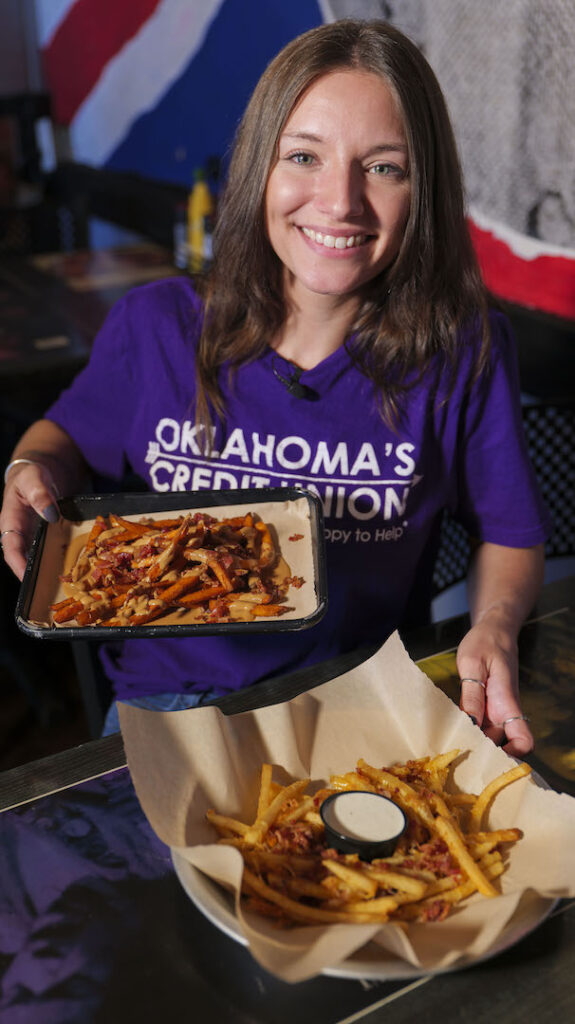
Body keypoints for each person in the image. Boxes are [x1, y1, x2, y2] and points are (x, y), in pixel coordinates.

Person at [0, 20, 549, 753]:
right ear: (261, 165)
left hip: (358, 696)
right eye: (303, 156)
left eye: (383, 167)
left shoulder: (461, 352)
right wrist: (28, 469)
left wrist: (493, 627)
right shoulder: (157, 325)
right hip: (169, 702)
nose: (339, 201)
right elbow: (63, 437)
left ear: (424, 188)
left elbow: (509, 533)